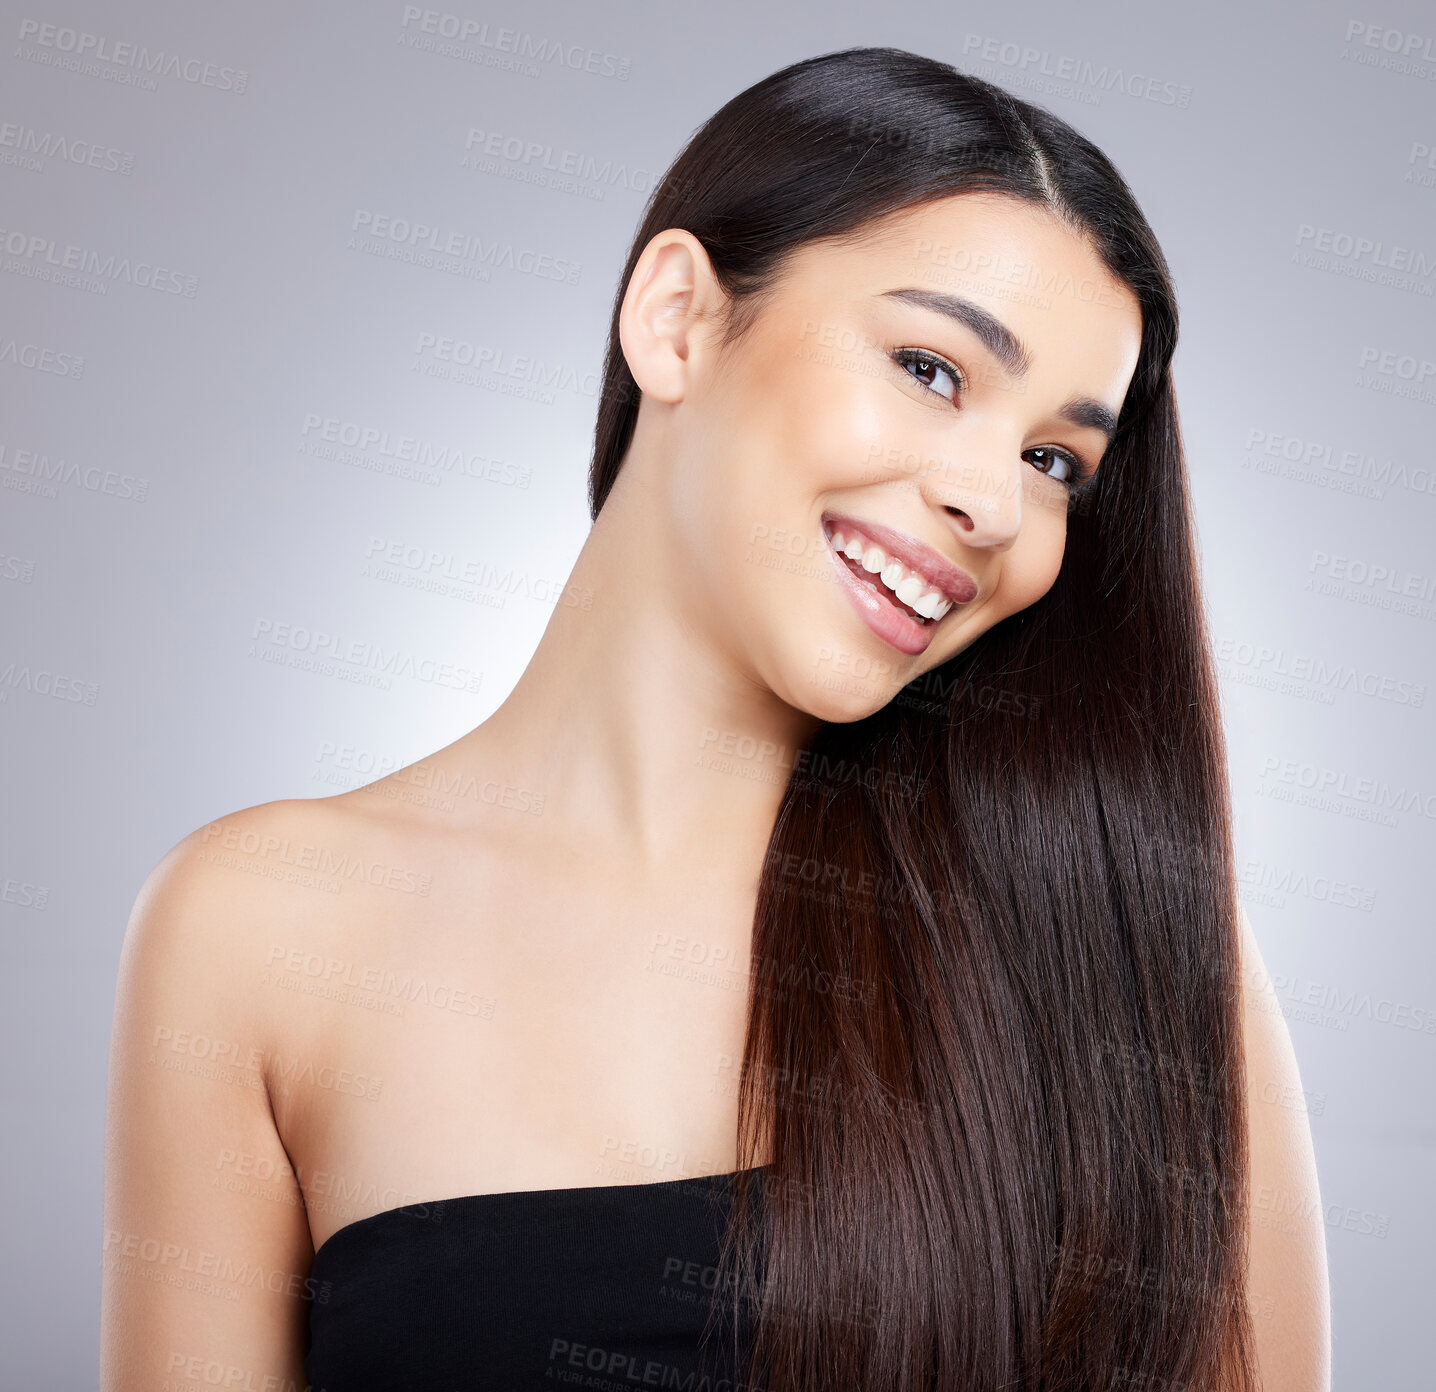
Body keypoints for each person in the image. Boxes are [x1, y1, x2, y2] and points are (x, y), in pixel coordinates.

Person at [100, 46, 1329, 1392]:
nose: (994, 500)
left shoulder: (1122, 939)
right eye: (931, 366)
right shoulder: (257, 923)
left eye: (1055, 461)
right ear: (678, 317)